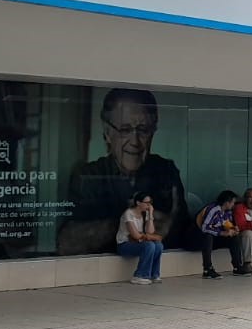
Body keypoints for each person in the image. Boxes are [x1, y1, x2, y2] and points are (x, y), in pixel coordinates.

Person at [59, 88, 191, 256]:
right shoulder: (88, 174)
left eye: (143, 130)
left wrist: (172, 227)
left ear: (152, 132)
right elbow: (65, 243)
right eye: (125, 130)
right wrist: (127, 223)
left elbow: (185, 236)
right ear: (108, 133)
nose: (135, 142)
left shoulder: (166, 171)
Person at [115, 191, 164, 285]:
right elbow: (135, 235)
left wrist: (150, 215)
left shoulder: (144, 214)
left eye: (150, 203)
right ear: (138, 202)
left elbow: (150, 231)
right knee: (149, 245)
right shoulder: (128, 214)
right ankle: (140, 275)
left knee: (158, 246)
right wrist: (150, 237)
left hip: (138, 243)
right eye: (147, 203)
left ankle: (154, 275)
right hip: (125, 245)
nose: (149, 205)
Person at [198, 190, 248, 279]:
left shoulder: (227, 211)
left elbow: (226, 223)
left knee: (234, 237)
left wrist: (232, 229)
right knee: (208, 237)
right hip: (201, 237)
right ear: (227, 202)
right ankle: (207, 269)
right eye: (232, 202)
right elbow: (204, 228)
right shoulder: (213, 209)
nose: (233, 205)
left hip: (217, 237)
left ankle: (237, 267)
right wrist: (221, 233)